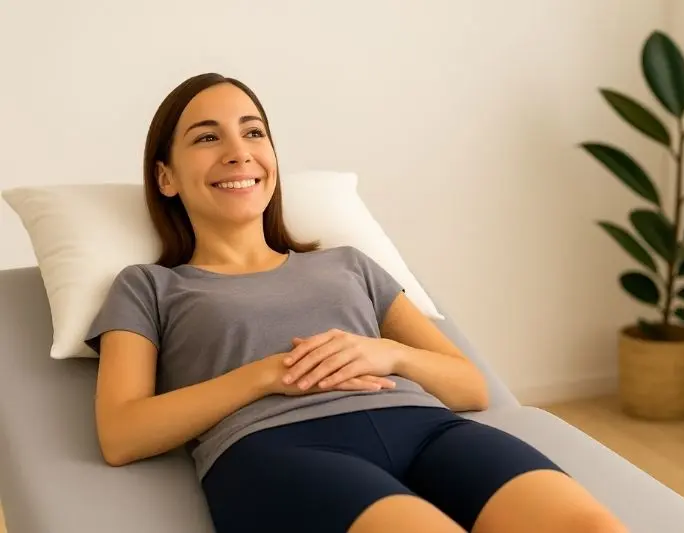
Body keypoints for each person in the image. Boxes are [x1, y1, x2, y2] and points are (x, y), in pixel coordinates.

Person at [85, 72, 627, 533]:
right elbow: (122, 434)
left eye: (254, 133)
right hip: (278, 449)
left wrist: (387, 355)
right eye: (207, 138)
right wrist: (265, 375)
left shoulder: (347, 263)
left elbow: (471, 386)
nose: (238, 152)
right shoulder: (148, 286)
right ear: (166, 176)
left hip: (428, 429)